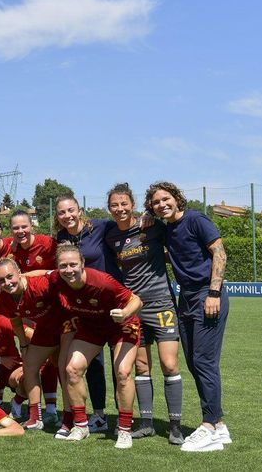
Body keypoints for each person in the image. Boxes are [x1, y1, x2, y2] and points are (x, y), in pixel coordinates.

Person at [146, 181, 230, 452]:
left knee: (204, 361)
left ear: (176, 198)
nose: (162, 205)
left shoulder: (196, 219)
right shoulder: (166, 229)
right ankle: (219, 424)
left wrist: (214, 293)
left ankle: (208, 425)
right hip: (185, 298)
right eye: (156, 202)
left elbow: (219, 253)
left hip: (207, 293)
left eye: (166, 199)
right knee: (195, 363)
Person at [105, 183, 184, 444]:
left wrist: (150, 215)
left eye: (124, 204)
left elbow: (174, 235)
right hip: (134, 307)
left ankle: (175, 426)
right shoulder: (110, 235)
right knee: (141, 366)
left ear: (133, 205)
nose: (120, 209)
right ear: (109, 209)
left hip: (162, 304)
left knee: (169, 364)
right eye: (114, 205)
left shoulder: (152, 226)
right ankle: (147, 423)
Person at [49, 244, 143, 449]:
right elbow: (39, 276)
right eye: (63, 265)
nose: (68, 270)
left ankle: (124, 429)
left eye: (73, 264)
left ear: (82, 264)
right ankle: (81, 425)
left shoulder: (103, 281)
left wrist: (125, 313)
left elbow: (136, 300)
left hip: (122, 324)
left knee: (123, 372)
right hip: (93, 326)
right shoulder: (56, 278)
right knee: (72, 369)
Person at [54, 195, 120, 433]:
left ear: (79, 210)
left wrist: (147, 219)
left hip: (112, 303)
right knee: (93, 363)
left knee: (119, 365)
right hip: (85, 307)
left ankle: (123, 419)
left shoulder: (100, 227)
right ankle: (99, 415)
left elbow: (127, 226)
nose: (67, 216)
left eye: (70, 210)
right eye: (62, 212)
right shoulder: (61, 238)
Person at [0, 258, 68, 431]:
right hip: (45, 330)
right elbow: (16, 321)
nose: (7, 283)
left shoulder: (40, 285)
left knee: (66, 370)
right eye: (1, 280)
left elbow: (56, 274)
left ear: (19, 273)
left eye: (10, 277)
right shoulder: (4, 296)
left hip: (66, 327)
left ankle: (71, 417)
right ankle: (35, 418)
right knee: (29, 365)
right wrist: (24, 345)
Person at [7, 210, 60, 423]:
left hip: (55, 310)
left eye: (24, 226)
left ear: (32, 226)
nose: (20, 231)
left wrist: (27, 275)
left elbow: (57, 273)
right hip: (29, 312)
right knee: (35, 362)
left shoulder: (48, 244)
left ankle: (49, 409)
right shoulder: (11, 249)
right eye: (15, 228)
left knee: (55, 361)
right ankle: (33, 408)